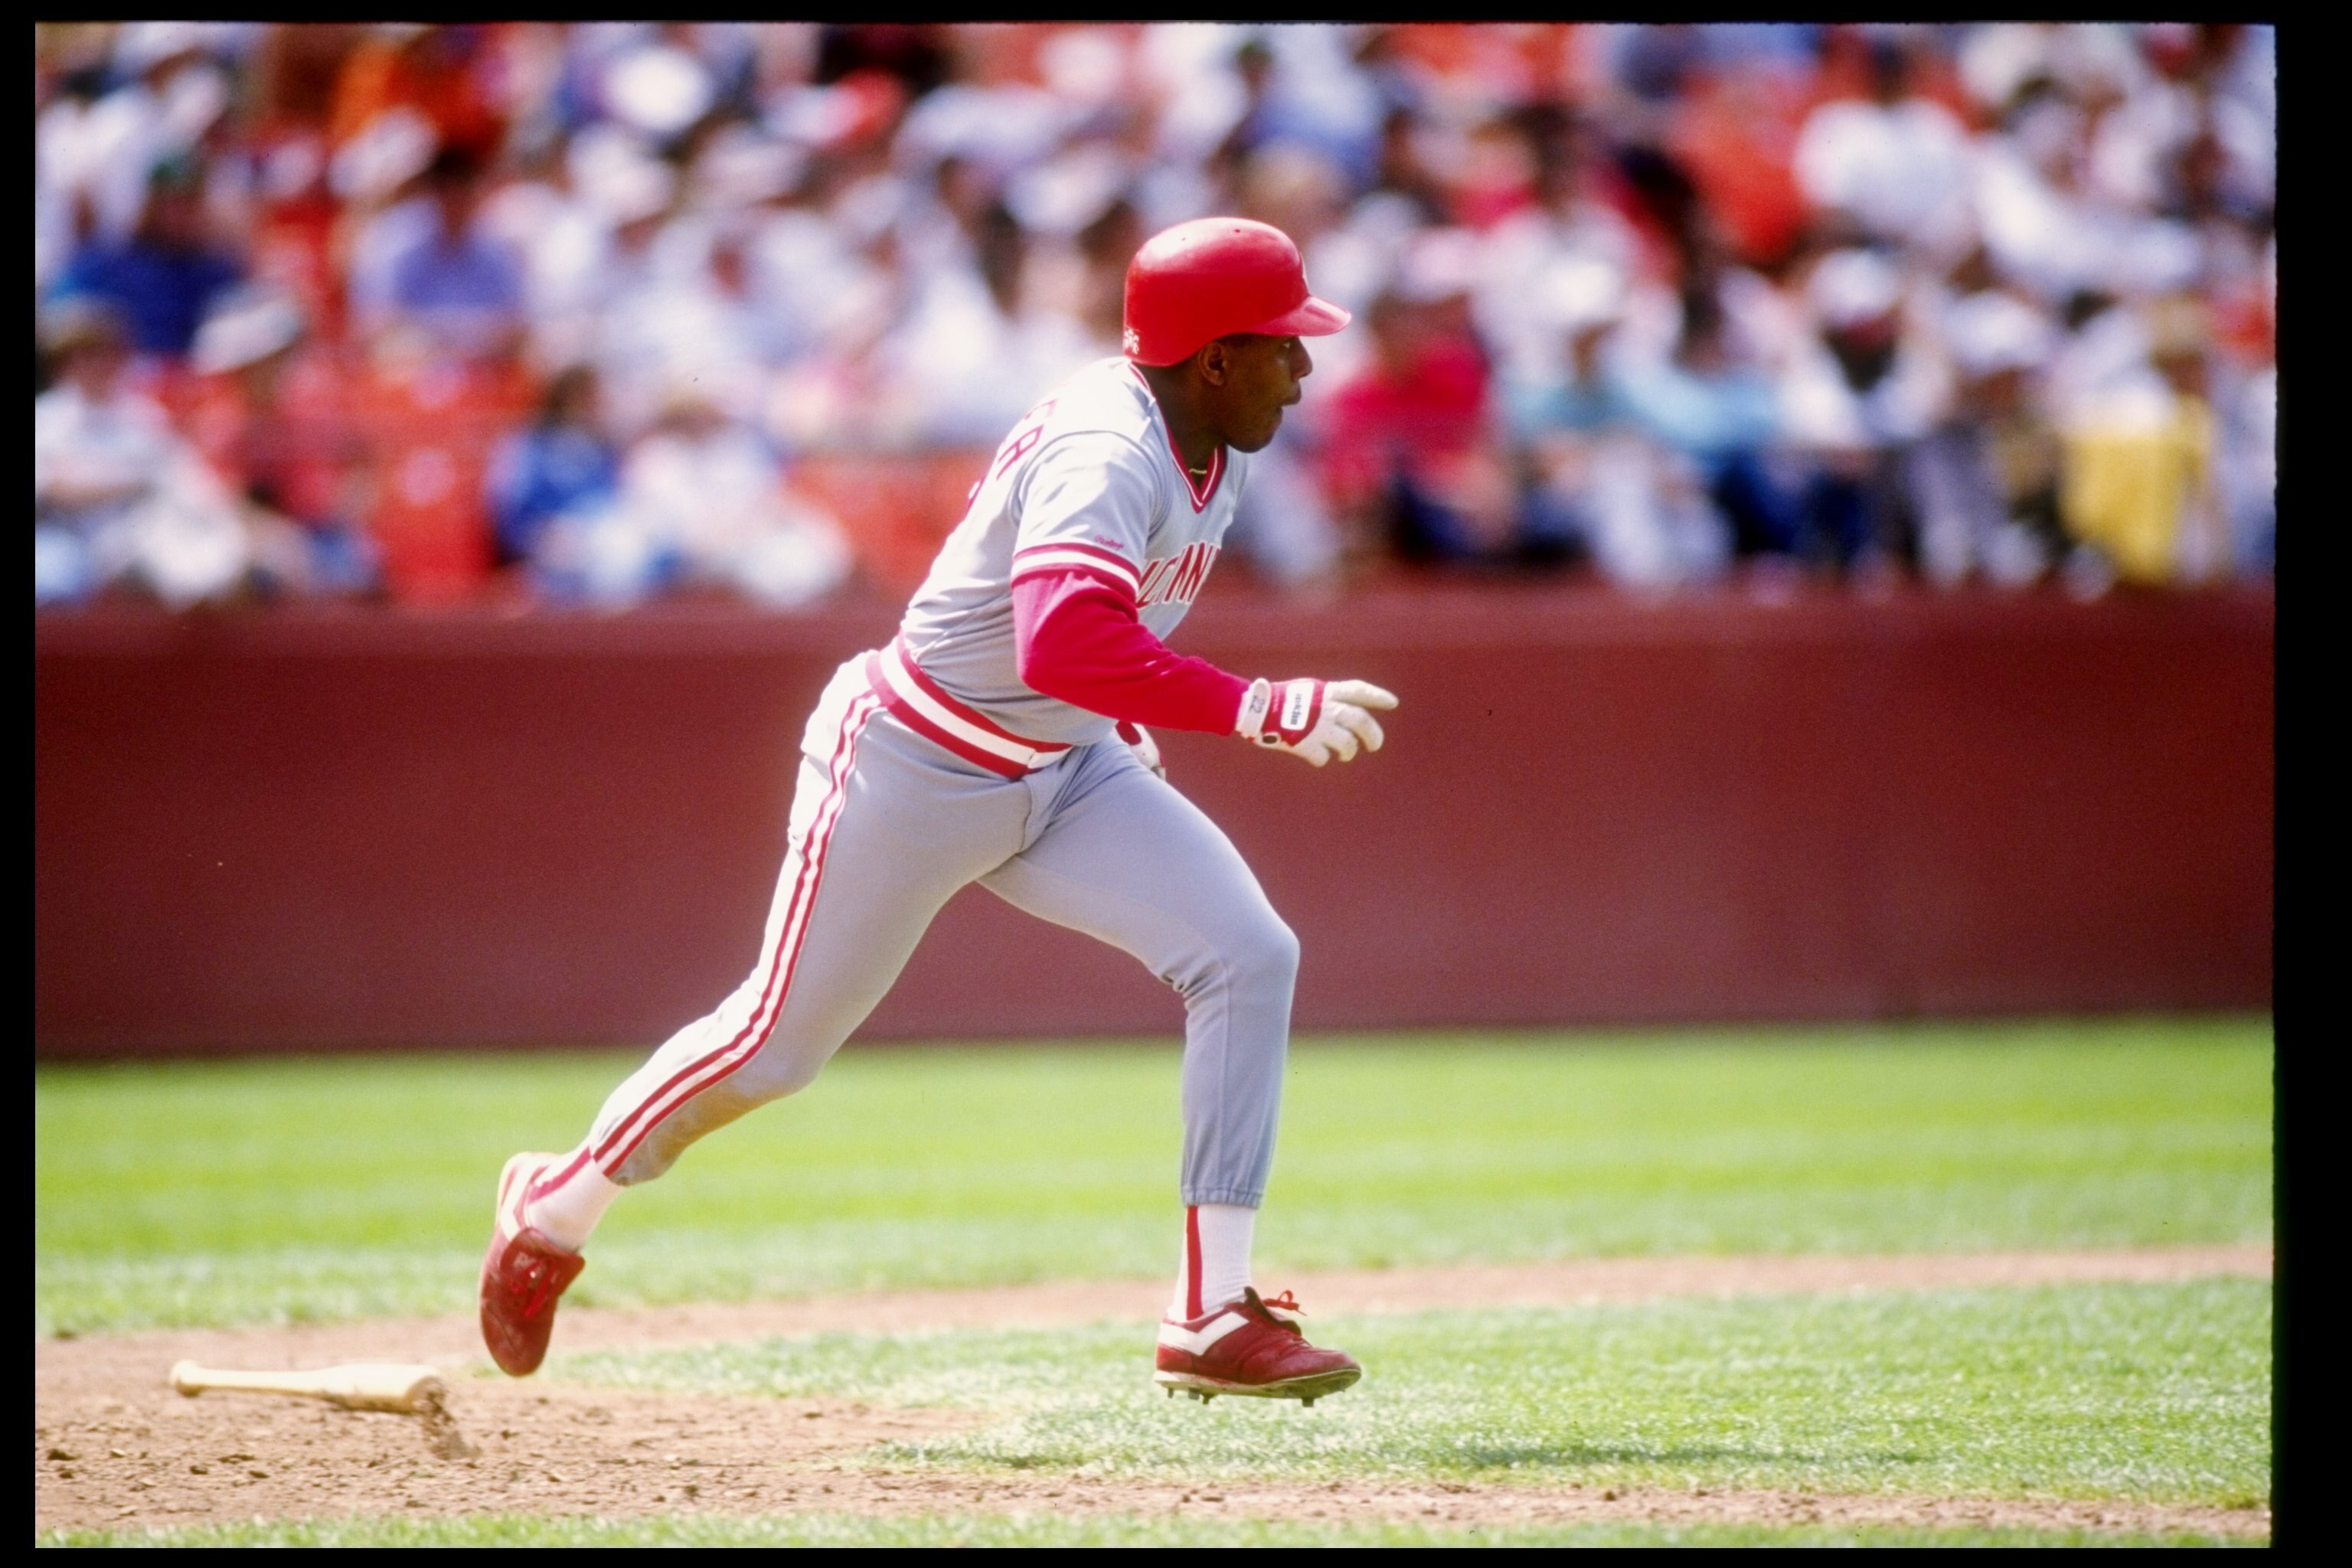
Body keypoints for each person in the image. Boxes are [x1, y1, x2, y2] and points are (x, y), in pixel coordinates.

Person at [480, 217, 1396, 1406]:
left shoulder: (1206, 433)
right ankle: (555, 1205)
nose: (1306, 367)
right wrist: (1256, 705)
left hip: (1066, 768)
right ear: (1213, 359)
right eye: (1282, 345)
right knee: (772, 1049)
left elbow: (1082, 652)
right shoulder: (1110, 447)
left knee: (1248, 953)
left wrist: (1129, 716)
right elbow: (1060, 636)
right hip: (916, 763)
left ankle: (1210, 1314)